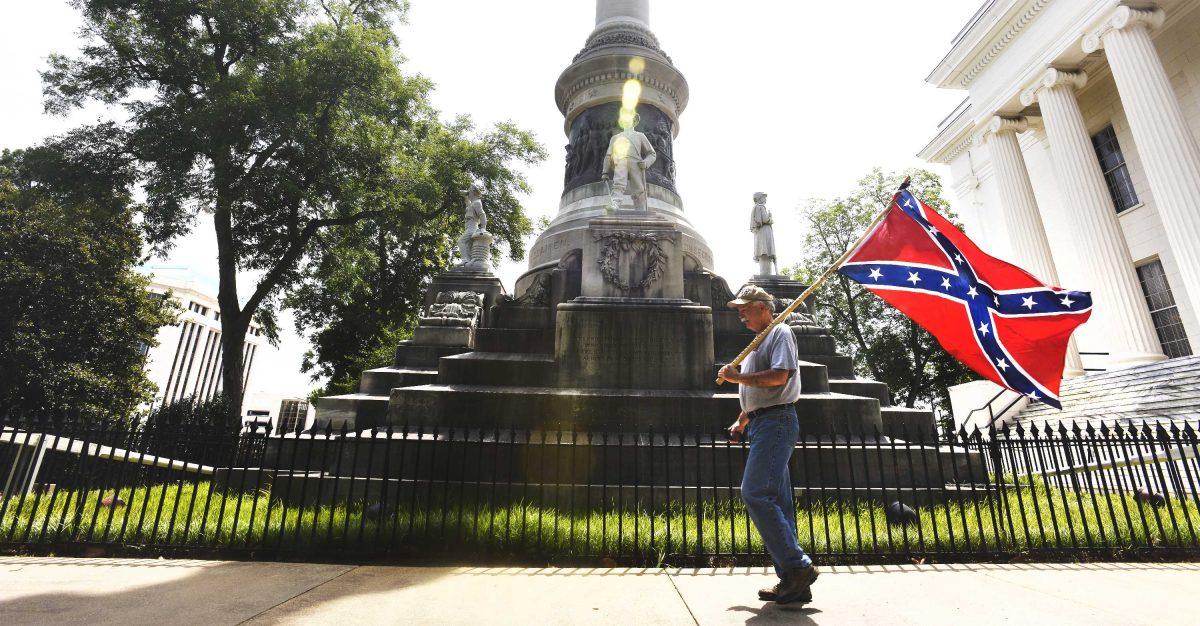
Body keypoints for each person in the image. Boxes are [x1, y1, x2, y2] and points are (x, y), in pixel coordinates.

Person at [718, 285, 819, 605]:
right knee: (778, 501)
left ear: (763, 307)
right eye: (739, 308)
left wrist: (737, 378)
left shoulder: (780, 333)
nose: (741, 313)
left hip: (777, 423)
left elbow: (778, 377)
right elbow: (758, 395)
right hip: (762, 422)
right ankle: (793, 582)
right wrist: (742, 419)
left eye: (746, 308)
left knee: (755, 492)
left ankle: (798, 566)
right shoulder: (757, 342)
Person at [601, 111, 657, 211]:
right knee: (618, 184)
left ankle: (641, 208)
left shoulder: (640, 136)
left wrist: (646, 162)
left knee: (639, 188)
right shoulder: (616, 137)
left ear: (635, 121)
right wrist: (605, 171)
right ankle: (615, 204)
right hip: (621, 162)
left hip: (636, 163)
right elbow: (608, 155)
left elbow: (652, 154)